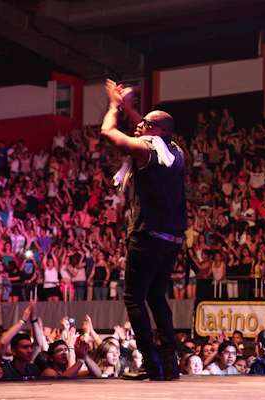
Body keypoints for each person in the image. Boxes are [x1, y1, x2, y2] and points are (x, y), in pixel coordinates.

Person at [101, 80, 187, 381]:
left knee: (134, 298)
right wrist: (131, 109)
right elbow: (147, 129)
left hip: (148, 234)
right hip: (172, 238)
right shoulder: (176, 152)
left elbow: (108, 132)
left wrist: (115, 106)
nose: (139, 125)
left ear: (157, 132)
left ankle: (152, 364)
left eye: (146, 123)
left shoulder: (145, 150)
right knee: (156, 296)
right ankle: (169, 365)